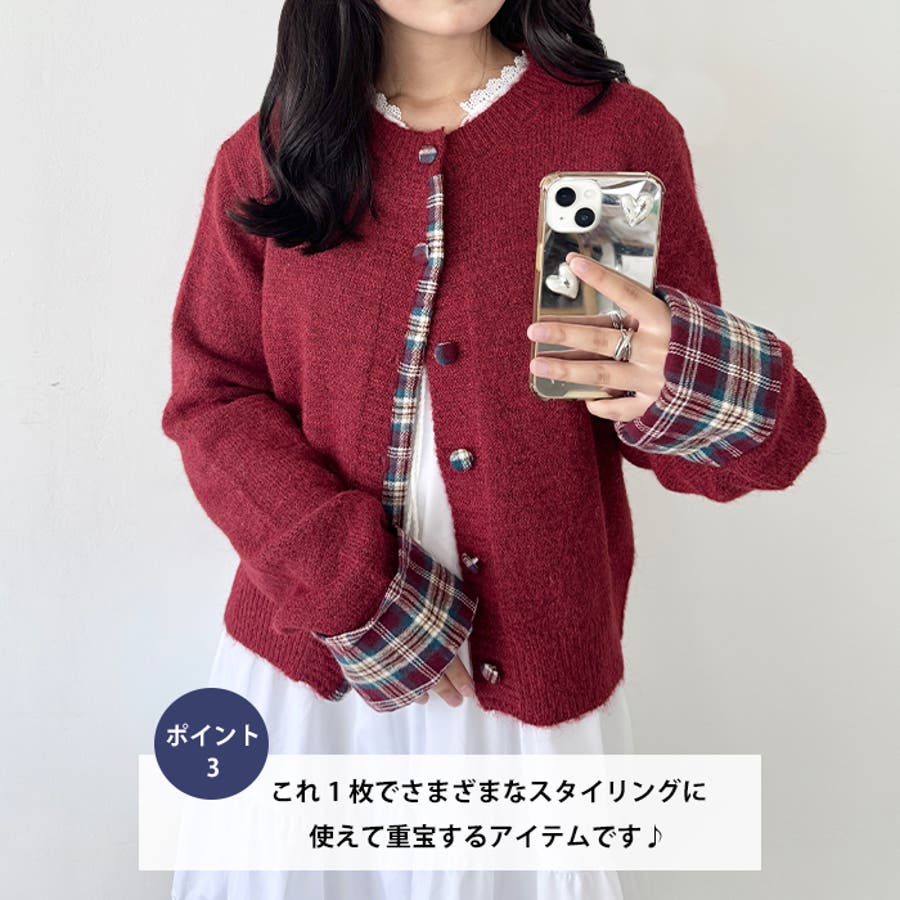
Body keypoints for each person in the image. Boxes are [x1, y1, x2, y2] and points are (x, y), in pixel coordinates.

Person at [161, 2, 827, 898]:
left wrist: (680, 374)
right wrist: (355, 588)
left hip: (527, 698)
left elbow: (730, 459)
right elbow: (214, 399)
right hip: (315, 665)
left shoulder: (612, 132)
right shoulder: (276, 151)